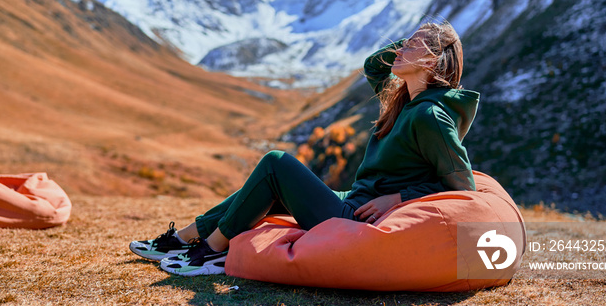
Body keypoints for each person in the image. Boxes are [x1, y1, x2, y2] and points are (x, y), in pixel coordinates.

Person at [129, 21, 480, 277]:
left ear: (433, 61)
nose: (400, 49)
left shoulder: (430, 115)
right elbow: (374, 65)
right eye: (403, 44)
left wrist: (399, 198)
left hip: (351, 220)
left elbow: (464, 187)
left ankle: (212, 252)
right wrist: (414, 41)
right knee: (268, 185)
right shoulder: (404, 101)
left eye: (413, 45)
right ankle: (184, 237)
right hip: (352, 202)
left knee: (276, 163)